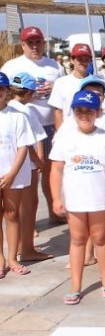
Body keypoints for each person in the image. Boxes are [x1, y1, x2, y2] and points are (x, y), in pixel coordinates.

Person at [49, 90, 105, 305]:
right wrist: (56, 198)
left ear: (98, 112)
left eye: (89, 111)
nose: (84, 115)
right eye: (79, 110)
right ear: (73, 112)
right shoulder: (65, 138)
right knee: (77, 240)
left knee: (100, 238)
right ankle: (75, 286)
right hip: (75, 200)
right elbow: (55, 169)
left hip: (99, 199)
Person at [1, 27, 65, 223]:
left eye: (38, 42)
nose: (35, 46)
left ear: (44, 43)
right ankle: (28, 223)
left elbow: (63, 93)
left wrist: (55, 88)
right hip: (22, 130)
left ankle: (54, 212)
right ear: (22, 45)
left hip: (50, 126)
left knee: (49, 171)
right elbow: (4, 93)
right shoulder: (11, 66)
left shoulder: (55, 66)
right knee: (28, 176)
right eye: (30, 43)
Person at [8, 73, 51, 263]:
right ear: (28, 93)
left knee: (14, 209)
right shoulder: (26, 111)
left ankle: (19, 246)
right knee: (28, 206)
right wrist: (39, 161)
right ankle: (27, 249)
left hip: (11, 163)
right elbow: (29, 142)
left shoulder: (8, 109)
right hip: (26, 165)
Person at [0, 72, 36, 278]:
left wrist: (12, 173)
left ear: (7, 91)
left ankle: (13, 257)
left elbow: (23, 147)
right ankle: (0, 259)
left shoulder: (17, 116)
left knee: (12, 214)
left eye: (1, 89)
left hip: (11, 173)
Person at [49, 44, 95, 127]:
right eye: (80, 59)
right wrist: (60, 133)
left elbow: (103, 109)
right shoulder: (61, 82)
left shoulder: (98, 82)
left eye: (86, 59)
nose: (83, 62)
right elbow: (58, 112)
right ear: (72, 60)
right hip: (69, 131)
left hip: (93, 130)